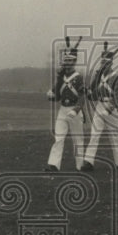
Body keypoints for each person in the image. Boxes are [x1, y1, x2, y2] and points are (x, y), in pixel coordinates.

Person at [45, 36, 86, 171]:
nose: (67, 64)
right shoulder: (61, 78)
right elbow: (57, 95)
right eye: (65, 61)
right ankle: (54, 164)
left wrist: (77, 109)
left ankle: (80, 166)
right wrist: (51, 95)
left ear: (73, 62)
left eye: (69, 61)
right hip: (63, 109)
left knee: (78, 140)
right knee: (59, 138)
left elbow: (82, 95)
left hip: (75, 110)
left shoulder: (79, 77)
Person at [82, 42, 118, 170]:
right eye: (102, 62)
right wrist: (89, 93)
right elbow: (93, 94)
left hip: (110, 107)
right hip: (100, 106)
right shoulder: (98, 76)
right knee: (94, 134)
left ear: (111, 63)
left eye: (106, 62)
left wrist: (111, 107)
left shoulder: (115, 76)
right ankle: (88, 162)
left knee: (114, 136)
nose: (103, 64)